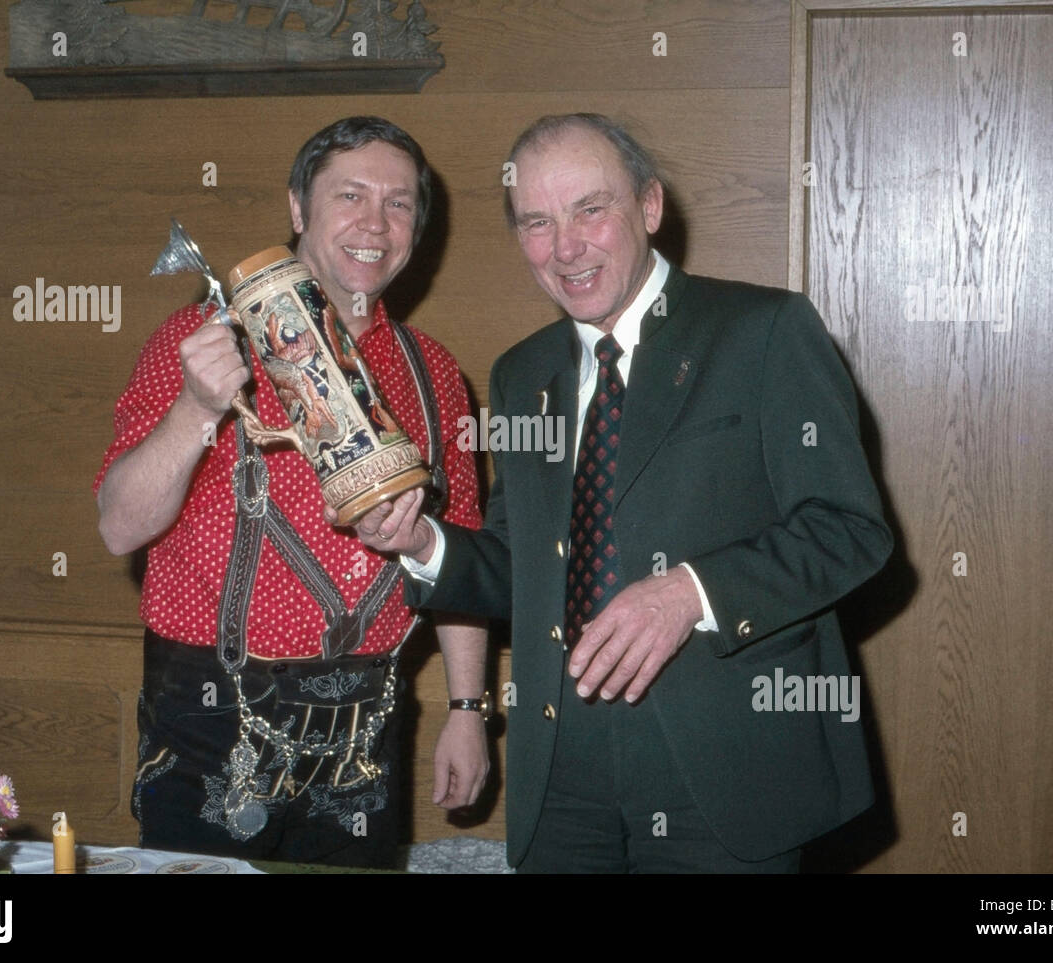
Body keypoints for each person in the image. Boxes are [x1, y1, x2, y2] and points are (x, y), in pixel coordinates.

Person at [345, 113, 893, 872]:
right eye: (537, 221)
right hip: (561, 775)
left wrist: (688, 593)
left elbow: (849, 530)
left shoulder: (764, 331)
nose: (564, 246)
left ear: (650, 207)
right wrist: (422, 544)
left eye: (589, 210)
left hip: (726, 770)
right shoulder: (521, 374)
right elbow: (519, 560)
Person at [94, 116, 489, 869]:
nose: (375, 223)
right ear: (299, 208)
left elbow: (461, 557)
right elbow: (118, 526)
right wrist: (195, 408)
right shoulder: (199, 341)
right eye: (350, 196)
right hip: (207, 716)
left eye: (399, 204)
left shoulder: (436, 372)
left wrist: (468, 710)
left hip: (366, 722)